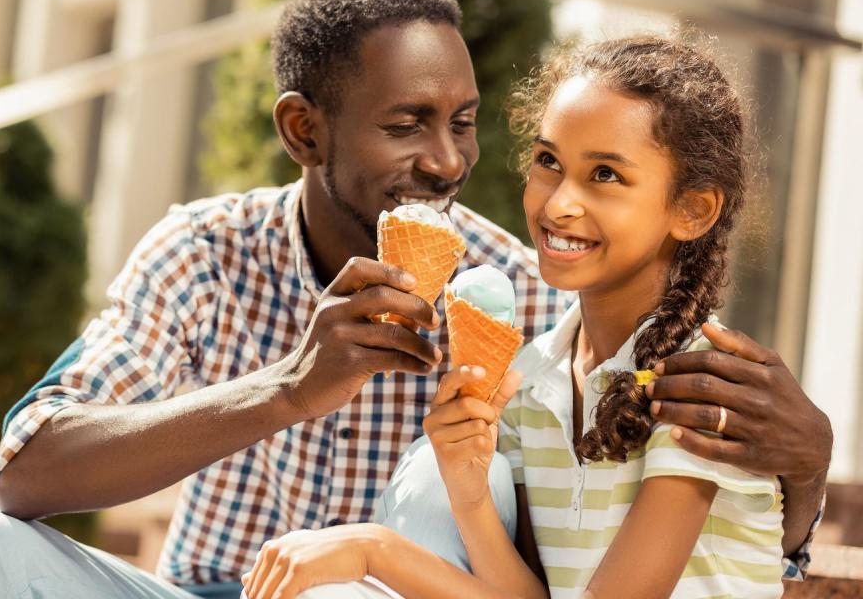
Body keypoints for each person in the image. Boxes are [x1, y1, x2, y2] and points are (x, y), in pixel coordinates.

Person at [0, 0, 828, 599]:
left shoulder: (527, 295)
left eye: (463, 124)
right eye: (406, 124)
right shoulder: (205, 252)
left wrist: (805, 485)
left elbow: (630, 554)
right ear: (305, 132)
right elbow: (26, 474)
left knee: (438, 472)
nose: (445, 162)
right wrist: (287, 391)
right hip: (200, 586)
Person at [240, 35, 824, 599]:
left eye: (605, 175)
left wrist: (375, 551)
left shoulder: (703, 385)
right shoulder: (531, 377)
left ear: (692, 210)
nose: (557, 203)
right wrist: (469, 493)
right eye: (548, 161)